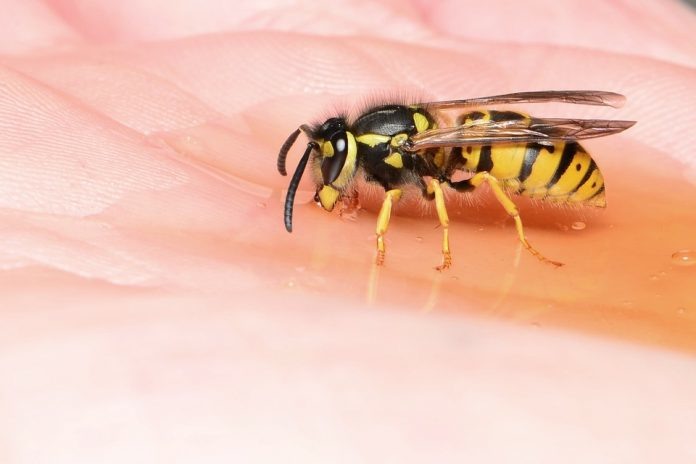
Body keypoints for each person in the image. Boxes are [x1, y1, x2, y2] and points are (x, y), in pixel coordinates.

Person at [1, 1, 694, 461]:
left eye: (333, 163)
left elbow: (421, 190)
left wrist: (411, 246)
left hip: (544, 164)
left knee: (478, 175)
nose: (334, 171)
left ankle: (518, 237)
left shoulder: (405, 156)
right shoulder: (390, 142)